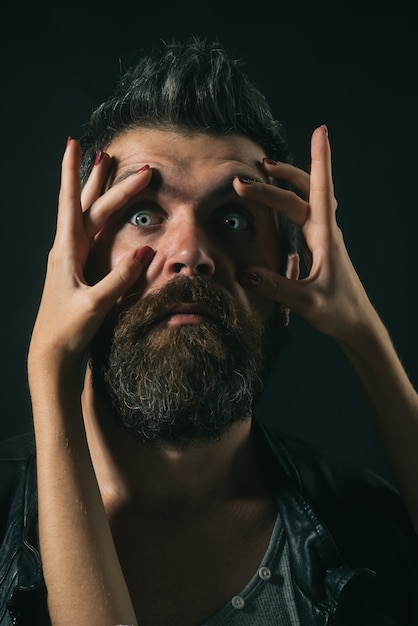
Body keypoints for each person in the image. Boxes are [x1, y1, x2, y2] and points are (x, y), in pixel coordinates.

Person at [1, 36, 417, 626]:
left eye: (231, 219)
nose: (191, 253)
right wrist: (50, 366)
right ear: (78, 268)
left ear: (291, 278)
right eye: (143, 214)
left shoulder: (371, 536)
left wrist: (364, 335)